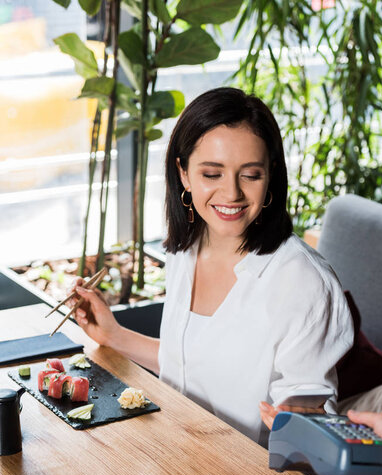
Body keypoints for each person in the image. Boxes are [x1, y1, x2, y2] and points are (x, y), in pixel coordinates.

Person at [70, 87, 354, 444]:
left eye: (250, 175)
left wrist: (299, 414)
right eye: (211, 174)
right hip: (183, 457)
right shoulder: (184, 251)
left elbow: (310, 408)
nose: (231, 193)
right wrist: (113, 335)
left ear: (270, 178)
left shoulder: (303, 281)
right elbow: (189, 365)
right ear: (184, 174)